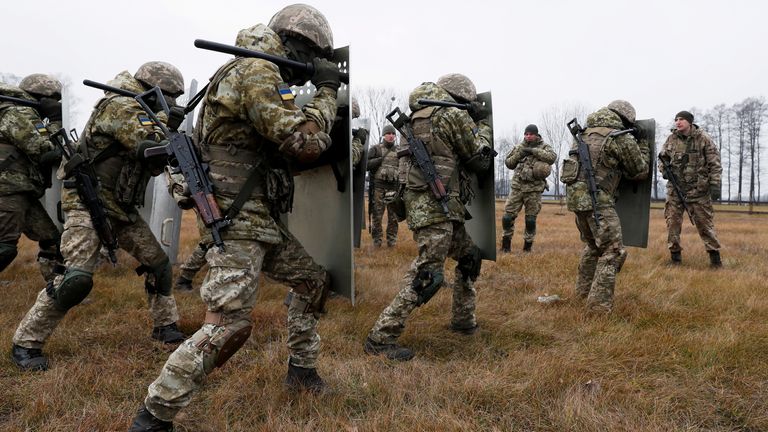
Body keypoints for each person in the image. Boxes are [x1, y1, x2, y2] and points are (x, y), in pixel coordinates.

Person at [128, 5, 341, 430]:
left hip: (258, 219)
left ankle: (302, 371)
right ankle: (155, 414)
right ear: (298, 45)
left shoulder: (251, 71)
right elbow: (305, 142)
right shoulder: (257, 72)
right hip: (239, 218)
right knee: (227, 325)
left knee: (313, 281)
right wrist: (327, 91)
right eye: (314, 56)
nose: (311, 69)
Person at [11, 62, 187, 372]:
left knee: (159, 266)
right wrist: (166, 125)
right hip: (85, 201)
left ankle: (165, 325)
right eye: (170, 97)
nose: (172, 104)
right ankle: (26, 342)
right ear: (154, 91)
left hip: (119, 207)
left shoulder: (143, 111)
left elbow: (157, 161)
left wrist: (167, 129)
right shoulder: (120, 106)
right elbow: (146, 145)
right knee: (74, 279)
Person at [363, 73, 493, 361]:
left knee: (470, 256)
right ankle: (381, 337)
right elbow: (479, 157)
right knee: (427, 275)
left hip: (434, 206)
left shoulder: (418, 114)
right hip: (435, 207)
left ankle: (463, 320)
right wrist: (482, 124)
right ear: (461, 98)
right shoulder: (451, 115)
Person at [561, 101, 649, 313]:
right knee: (613, 252)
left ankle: (582, 296)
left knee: (593, 248)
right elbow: (639, 171)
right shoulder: (620, 137)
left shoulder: (583, 134)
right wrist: (643, 144)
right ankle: (598, 308)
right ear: (625, 119)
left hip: (577, 201)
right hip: (598, 201)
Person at [0, 75, 64, 284]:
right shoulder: (17, 112)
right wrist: (55, 121)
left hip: (20, 190)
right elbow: (45, 149)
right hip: (8, 189)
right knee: (5, 248)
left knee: (51, 239)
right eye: (53, 100)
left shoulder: (22, 113)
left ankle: (57, 288)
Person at [658, 110, 722, 267]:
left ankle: (715, 261)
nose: (678, 122)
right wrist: (664, 170)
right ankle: (675, 260)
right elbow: (662, 158)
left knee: (705, 225)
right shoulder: (671, 139)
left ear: (690, 122)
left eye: (681, 119)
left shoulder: (703, 139)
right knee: (672, 225)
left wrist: (715, 184)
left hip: (698, 191)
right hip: (675, 191)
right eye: (676, 119)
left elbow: (714, 164)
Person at [500, 124, 555, 252]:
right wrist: (519, 154)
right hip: (517, 187)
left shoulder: (544, 147)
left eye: (530, 134)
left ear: (536, 135)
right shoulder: (519, 147)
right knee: (507, 217)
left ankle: (527, 248)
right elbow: (508, 163)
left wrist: (534, 151)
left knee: (530, 219)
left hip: (534, 189)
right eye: (526, 134)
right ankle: (505, 247)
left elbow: (552, 158)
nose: (528, 136)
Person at [366, 123, 400, 247]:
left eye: (393, 134)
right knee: (377, 217)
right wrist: (379, 160)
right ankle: (377, 242)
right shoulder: (376, 149)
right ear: (383, 135)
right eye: (388, 133)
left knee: (393, 218)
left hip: (394, 189)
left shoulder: (400, 150)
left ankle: (392, 242)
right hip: (378, 188)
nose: (391, 136)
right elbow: (366, 165)